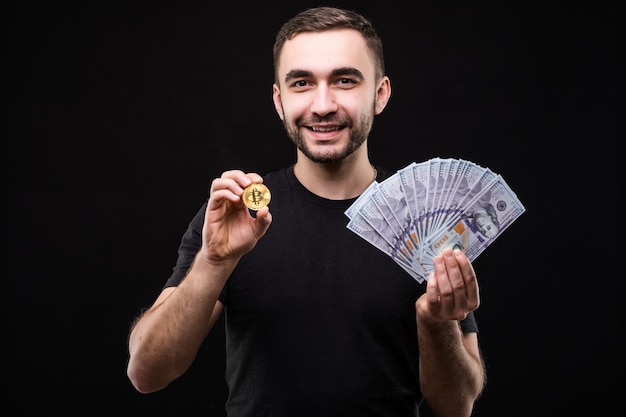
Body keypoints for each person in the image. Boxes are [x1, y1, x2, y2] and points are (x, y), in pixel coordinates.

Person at [126, 6, 486, 417]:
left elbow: (457, 406)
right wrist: (213, 262)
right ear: (279, 100)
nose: (323, 104)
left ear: (380, 93)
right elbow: (147, 373)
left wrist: (436, 324)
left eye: (345, 80)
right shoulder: (237, 216)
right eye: (301, 83)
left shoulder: (424, 220)